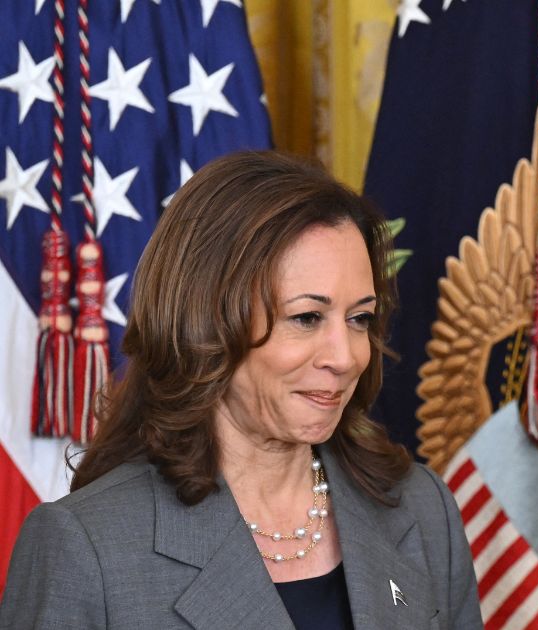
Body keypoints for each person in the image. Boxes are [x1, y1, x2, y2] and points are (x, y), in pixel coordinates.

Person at [0, 151, 484, 630]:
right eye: (307, 318)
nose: (346, 356)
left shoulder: (422, 508)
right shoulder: (86, 548)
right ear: (206, 324)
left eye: (359, 318)